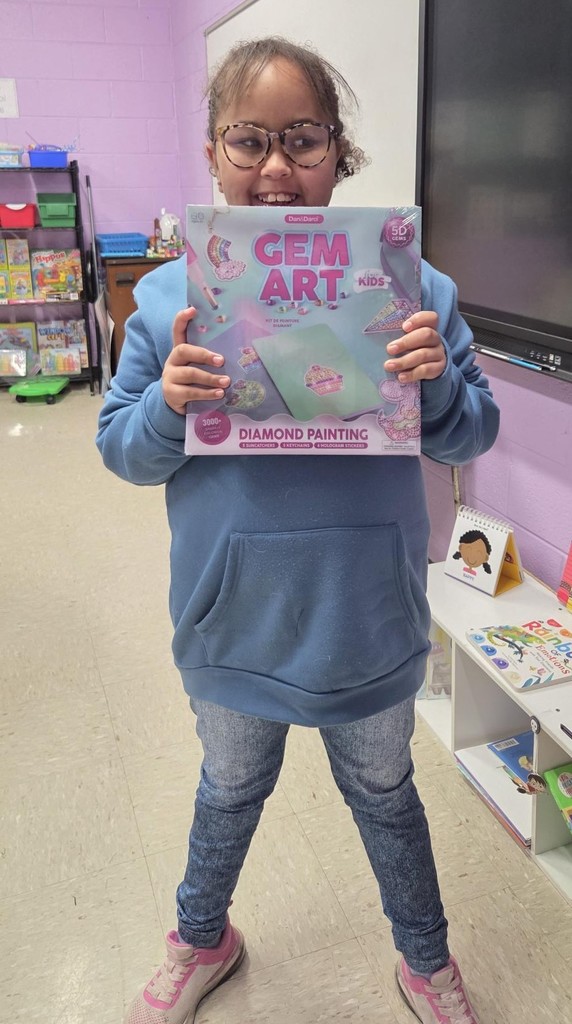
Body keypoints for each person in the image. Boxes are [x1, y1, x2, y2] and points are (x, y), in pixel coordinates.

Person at [96, 36, 500, 1024]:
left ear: (340, 154)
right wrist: (166, 411)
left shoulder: (417, 292)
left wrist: (436, 382)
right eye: (248, 139)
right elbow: (119, 449)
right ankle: (202, 935)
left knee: (385, 788)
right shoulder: (164, 300)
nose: (276, 166)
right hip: (235, 619)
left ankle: (424, 955)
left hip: (366, 614)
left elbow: (474, 427)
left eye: (304, 138)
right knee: (228, 786)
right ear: (211, 153)